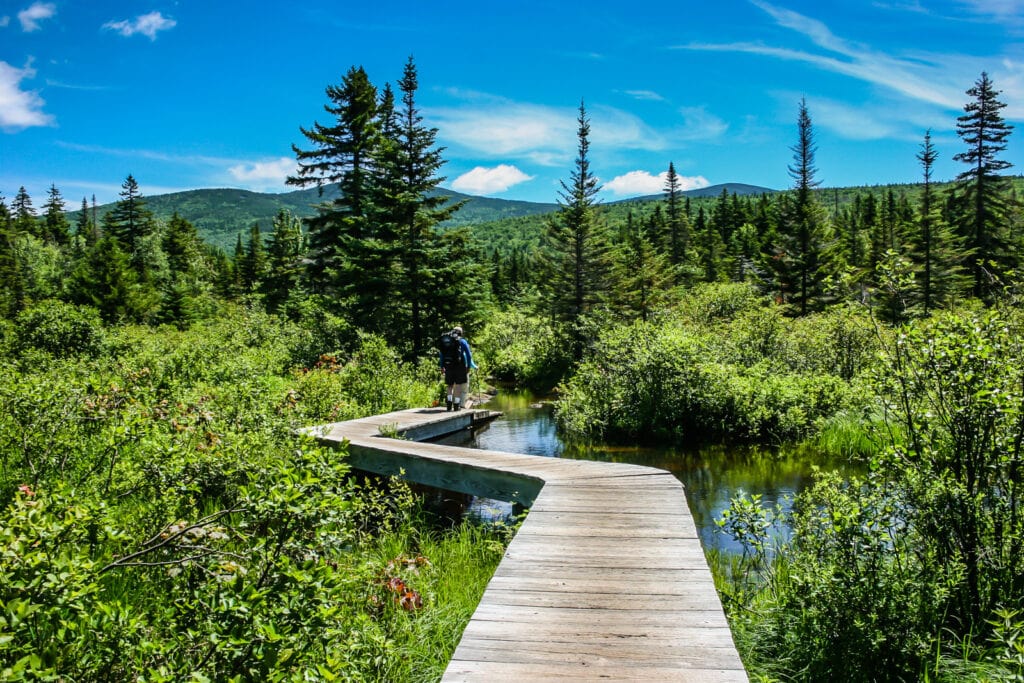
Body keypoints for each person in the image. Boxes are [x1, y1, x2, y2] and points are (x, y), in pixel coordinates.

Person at [439, 326, 476, 411]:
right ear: (461, 333)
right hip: (460, 365)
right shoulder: (462, 341)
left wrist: (442, 366)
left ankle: (448, 404)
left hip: (448, 365)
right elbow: (468, 355)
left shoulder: (447, 341)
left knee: (449, 385)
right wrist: (469, 366)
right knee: (458, 385)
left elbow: (441, 355)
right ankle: (456, 405)